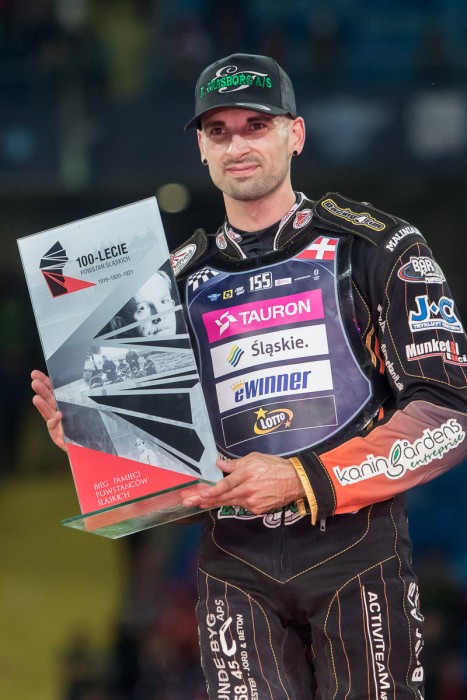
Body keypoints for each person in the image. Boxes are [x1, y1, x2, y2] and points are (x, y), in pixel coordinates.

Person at [31, 53, 467, 699]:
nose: (237, 145)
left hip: (358, 555)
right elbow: (169, 478)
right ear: (202, 150)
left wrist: (302, 477)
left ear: (295, 133)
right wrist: (99, 443)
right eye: (218, 131)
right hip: (234, 568)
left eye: (255, 125)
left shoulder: (377, 246)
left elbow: (447, 416)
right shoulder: (166, 288)